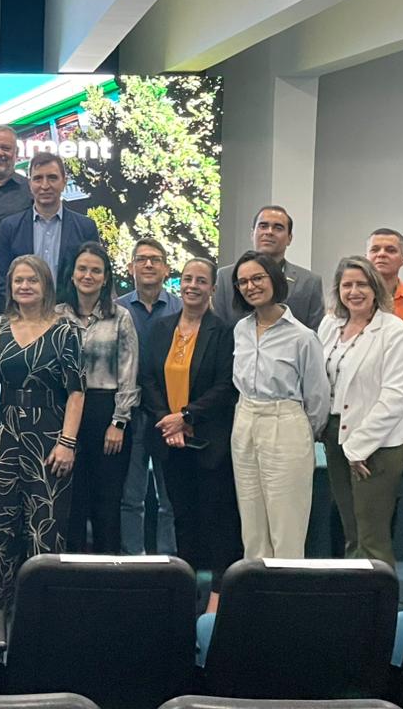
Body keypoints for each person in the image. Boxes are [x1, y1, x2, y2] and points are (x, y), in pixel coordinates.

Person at [0, 254, 85, 609]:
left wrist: (67, 443)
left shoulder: (66, 331)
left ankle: (41, 613)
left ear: (46, 286)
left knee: (45, 527)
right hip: (4, 432)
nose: (24, 286)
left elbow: (77, 392)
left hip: (50, 435)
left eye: (32, 280)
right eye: (18, 280)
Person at [140, 257, 240, 611]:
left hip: (209, 442)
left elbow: (226, 386)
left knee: (216, 520)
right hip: (170, 442)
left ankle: (217, 597)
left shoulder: (224, 331)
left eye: (200, 280)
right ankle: (185, 594)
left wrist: (185, 416)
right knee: (182, 519)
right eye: (187, 279)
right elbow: (147, 379)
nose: (192, 286)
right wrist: (167, 421)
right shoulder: (160, 328)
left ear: (213, 288)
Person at [229, 250, 330, 559]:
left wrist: (299, 431)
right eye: (243, 282)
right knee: (252, 524)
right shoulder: (241, 329)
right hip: (245, 419)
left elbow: (317, 397)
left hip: (285, 422)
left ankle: (287, 588)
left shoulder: (302, 337)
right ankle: (256, 587)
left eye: (258, 278)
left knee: (287, 524)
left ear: (274, 279)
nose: (251, 286)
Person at [316, 256, 403, 567]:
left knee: (372, 539)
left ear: (375, 288)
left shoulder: (395, 331)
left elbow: (397, 396)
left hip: (379, 444)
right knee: (351, 531)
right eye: (347, 285)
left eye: (362, 284)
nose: (354, 291)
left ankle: (378, 594)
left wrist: (359, 446)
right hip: (335, 436)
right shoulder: (330, 325)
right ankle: (352, 591)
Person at [56, 241, 139, 553]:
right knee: (70, 500)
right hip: (65, 414)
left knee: (107, 502)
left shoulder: (120, 317)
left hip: (107, 414)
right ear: (72, 274)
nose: (87, 275)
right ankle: (71, 575)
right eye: (82, 269)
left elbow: (129, 372)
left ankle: (108, 574)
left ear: (105, 278)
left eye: (95, 270)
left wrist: (119, 422)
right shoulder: (56, 316)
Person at [116, 237, 180, 555]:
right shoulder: (117, 308)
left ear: (167, 269)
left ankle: (170, 562)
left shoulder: (181, 308)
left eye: (156, 259)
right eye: (141, 259)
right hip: (129, 413)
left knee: (170, 498)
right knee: (131, 496)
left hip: (169, 414)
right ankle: (133, 561)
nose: (149, 264)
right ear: (131, 267)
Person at [0, 152, 100, 304]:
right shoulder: (10, 227)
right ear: (30, 184)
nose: (45, 185)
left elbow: (94, 277)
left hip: (71, 314)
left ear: (64, 181)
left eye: (52, 178)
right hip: (24, 314)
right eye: (38, 178)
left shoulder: (85, 228)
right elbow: (1, 282)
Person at [214, 206, 324, 330]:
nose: (269, 232)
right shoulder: (225, 277)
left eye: (278, 228)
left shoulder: (309, 282)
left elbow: (316, 333)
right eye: (263, 226)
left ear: (289, 238)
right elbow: (218, 328)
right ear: (252, 234)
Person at [366, 228, 403, 330]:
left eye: (390, 250)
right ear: (366, 258)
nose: (381, 254)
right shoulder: (353, 298)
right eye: (375, 250)